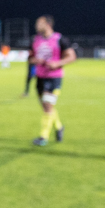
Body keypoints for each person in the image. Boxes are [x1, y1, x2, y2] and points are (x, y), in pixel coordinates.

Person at [29, 15, 77, 146]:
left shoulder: (60, 39)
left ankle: (43, 137)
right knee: (46, 106)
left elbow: (72, 57)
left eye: (39, 23)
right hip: (40, 77)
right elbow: (30, 57)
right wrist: (35, 60)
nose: (36, 26)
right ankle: (59, 127)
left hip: (54, 77)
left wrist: (57, 63)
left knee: (47, 106)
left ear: (47, 24)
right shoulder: (35, 40)